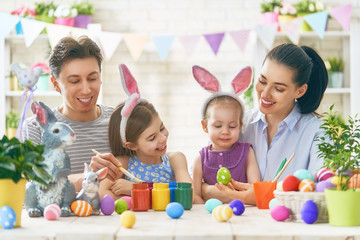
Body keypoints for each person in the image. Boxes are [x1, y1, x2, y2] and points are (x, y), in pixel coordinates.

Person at [202, 43, 328, 205]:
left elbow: (322, 191)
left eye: (278, 89)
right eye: (262, 81)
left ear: (300, 91)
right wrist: (207, 190)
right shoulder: (239, 124)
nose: (265, 93)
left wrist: (263, 195)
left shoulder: (315, 133)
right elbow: (201, 173)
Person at [21, 36, 116, 191]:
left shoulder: (118, 122)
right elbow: (32, 188)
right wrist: (87, 179)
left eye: (92, 78)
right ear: (55, 84)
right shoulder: (36, 128)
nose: (86, 90)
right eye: (74, 81)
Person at [98, 64, 192, 199]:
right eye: (152, 138)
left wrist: (138, 190)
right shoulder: (123, 163)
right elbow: (102, 193)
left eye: (162, 128)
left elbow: (189, 193)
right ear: (132, 145)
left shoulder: (175, 159)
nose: (162, 138)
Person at [191, 65, 260, 204]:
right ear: (205, 126)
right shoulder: (201, 159)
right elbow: (196, 197)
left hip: (243, 214)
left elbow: (256, 189)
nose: (225, 131)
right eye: (218, 126)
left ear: (240, 126)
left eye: (232, 126)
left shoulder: (247, 152)